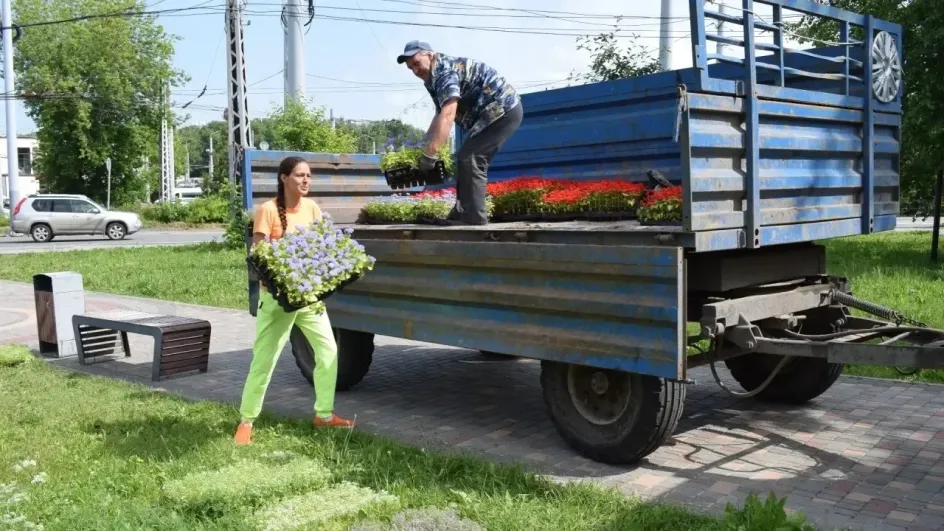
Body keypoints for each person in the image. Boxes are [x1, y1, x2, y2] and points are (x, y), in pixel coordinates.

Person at [234, 156, 355, 445]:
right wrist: (277, 283)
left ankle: (324, 415)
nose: (305, 180)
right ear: (284, 178)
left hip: (309, 299)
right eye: (300, 175)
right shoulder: (267, 210)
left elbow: (322, 249)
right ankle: (247, 421)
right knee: (264, 360)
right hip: (278, 301)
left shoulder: (312, 208)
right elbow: (258, 256)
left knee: (328, 352)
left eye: (308, 176)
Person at [397, 40, 523, 226]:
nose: (415, 70)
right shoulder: (432, 78)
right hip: (488, 114)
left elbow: (448, 114)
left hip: (503, 108)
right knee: (464, 157)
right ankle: (462, 211)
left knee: (472, 158)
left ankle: (474, 217)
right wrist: (425, 146)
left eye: (416, 63)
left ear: (429, 54)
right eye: (411, 68)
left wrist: (430, 154)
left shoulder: (445, 72)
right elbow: (440, 114)